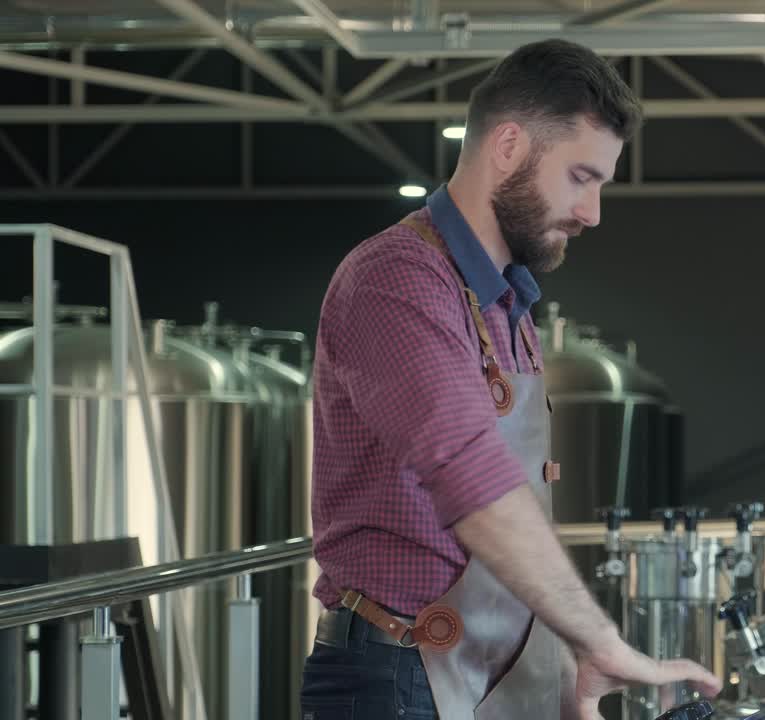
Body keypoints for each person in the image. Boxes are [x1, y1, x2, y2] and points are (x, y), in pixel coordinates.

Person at [301, 38, 721, 720]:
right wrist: (601, 640)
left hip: (491, 674)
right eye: (581, 177)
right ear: (508, 147)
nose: (592, 213)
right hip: (397, 677)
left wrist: (561, 671)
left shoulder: (507, 307)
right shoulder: (398, 280)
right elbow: (471, 478)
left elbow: (514, 523)